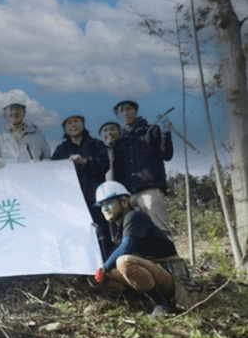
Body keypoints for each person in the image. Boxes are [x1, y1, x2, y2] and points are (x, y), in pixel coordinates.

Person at [91, 181, 179, 318]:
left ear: (124, 202)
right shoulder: (118, 227)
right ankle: (142, 301)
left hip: (170, 274)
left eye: (108, 203)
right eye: (101, 206)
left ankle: (163, 304)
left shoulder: (134, 217)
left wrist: (104, 268)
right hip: (151, 272)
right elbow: (111, 253)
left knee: (124, 262)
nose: (104, 209)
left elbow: (127, 247)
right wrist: (101, 238)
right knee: (102, 277)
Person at [52, 114, 111, 260]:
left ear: (83, 124)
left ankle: (108, 266)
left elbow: (105, 164)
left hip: (96, 197)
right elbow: (52, 172)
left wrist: (85, 161)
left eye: (76, 121)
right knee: (78, 234)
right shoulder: (61, 149)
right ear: (65, 129)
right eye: (69, 123)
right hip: (73, 200)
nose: (73, 124)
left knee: (102, 232)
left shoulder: (96, 144)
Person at [111, 100, 174, 236]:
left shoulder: (152, 130)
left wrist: (166, 132)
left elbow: (166, 154)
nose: (125, 113)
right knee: (138, 234)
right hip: (128, 195)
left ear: (136, 111)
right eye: (120, 112)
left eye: (128, 109)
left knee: (160, 228)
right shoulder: (118, 141)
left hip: (150, 189)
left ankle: (169, 256)